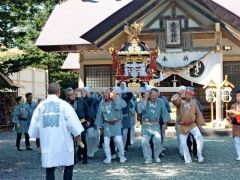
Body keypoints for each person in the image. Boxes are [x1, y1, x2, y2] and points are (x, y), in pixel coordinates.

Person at [28, 82, 84, 180]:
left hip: (48, 143)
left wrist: (38, 138)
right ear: (58, 92)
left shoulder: (40, 107)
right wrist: (78, 138)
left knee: (49, 169)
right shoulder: (65, 105)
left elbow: (34, 130)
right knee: (68, 166)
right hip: (64, 143)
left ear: (47, 92)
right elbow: (74, 125)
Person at [171, 88, 205, 164]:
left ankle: (199, 155)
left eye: (191, 95)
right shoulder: (180, 101)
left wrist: (200, 126)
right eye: (188, 94)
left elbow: (198, 114)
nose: (189, 96)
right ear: (185, 94)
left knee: (199, 137)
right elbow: (173, 100)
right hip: (182, 125)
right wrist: (177, 94)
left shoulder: (194, 102)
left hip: (192, 124)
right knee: (183, 142)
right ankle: (187, 159)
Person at [138, 88, 170, 164]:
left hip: (156, 124)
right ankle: (148, 158)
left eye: (156, 95)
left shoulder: (160, 101)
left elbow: (164, 112)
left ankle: (156, 156)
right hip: (146, 124)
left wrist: (165, 123)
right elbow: (141, 110)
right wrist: (145, 98)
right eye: (153, 95)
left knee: (158, 141)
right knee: (145, 142)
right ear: (150, 94)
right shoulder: (143, 101)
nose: (155, 97)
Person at [96, 88, 127, 164]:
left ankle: (122, 156)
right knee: (106, 143)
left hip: (116, 124)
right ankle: (108, 157)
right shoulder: (102, 103)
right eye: (103, 93)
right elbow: (99, 115)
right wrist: (99, 126)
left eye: (107, 93)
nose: (105, 94)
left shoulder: (117, 99)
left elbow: (123, 105)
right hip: (107, 125)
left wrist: (115, 97)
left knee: (118, 140)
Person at [65, 87, 92, 164]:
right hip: (71, 124)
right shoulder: (66, 103)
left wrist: (89, 120)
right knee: (72, 141)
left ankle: (84, 157)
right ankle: (73, 159)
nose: (72, 96)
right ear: (67, 95)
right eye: (69, 95)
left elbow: (87, 109)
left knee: (82, 140)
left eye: (73, 94)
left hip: (81, 123)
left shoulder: (81, 100)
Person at [227, 90, 240, 161]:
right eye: (237, 96)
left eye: (239, 96)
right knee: (236, 141)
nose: (238, 97)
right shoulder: (233, 106)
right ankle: (239, 155)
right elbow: (230, 115)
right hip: (236, 126)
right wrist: (232, 115)